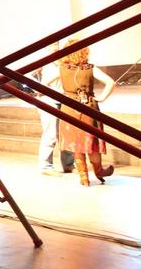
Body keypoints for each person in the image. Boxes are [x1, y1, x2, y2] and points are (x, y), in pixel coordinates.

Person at [49, 41, 118, 186]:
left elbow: (45, 83)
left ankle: (84, 177)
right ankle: (99, 171)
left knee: (76, 143)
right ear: (84, 52)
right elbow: (111, 82)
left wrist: (61, 95)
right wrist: (101, 98)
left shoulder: (61, 69)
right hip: (89, 107)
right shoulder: (91, 68)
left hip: (68, 108)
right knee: (91, 141)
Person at [36, 49, 73, 176]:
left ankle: (68, 164)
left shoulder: (66, 62)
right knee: (50, 133)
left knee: (66, 133)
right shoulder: (47, 63)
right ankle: (46, 166)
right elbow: (33, 77)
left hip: (64, 99)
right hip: (48, 100)